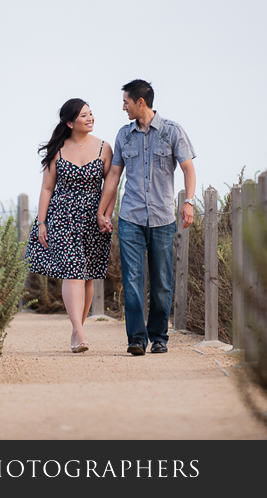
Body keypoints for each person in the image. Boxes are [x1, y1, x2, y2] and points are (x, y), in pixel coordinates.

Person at [97, 80, 196, 355]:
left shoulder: (173, 131)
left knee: (162, 282)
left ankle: (159, 337)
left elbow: (188, 169)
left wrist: (188, 202)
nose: (123, 107)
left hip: (163, 218)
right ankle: (137, 339)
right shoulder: (123, 135)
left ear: (141, 102)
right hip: (130, 217)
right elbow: (114, 176)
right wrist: (102, 211)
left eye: (126, 102)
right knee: (132, 279)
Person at [24, 98, 114, 353]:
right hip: (62, 217)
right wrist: (42, 222)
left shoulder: (104, 147)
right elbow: (47, 188)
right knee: (72, 271)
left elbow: (111, 185)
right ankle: (80, 332)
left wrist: (106, 214)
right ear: (70, 122)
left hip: (94, 218)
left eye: (91, 113)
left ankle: (77, 330)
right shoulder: (58, 149)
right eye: (84, 115)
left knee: (87, 276)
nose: (90, 118)